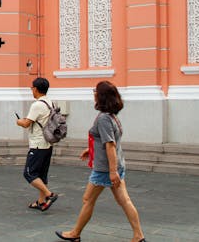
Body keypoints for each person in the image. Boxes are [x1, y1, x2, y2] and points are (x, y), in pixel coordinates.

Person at [55, 81, 145, 242]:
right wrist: (90, 150)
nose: (93, 93)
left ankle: (75, 233)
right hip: (117, 165)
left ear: (101, 96)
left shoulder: (103, 118)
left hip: (105, 169)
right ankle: (138, 236)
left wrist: (112, 171)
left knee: (88, 199)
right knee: (124, 201)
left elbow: (110, 144)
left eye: (95, 91)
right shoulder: (112, 117)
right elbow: (108, 141)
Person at [16, 76, 59, 212]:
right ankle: (41, 202)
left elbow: (26, 123)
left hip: (38, 144)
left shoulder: (37, 105)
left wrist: (19, 121)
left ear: (35, 89)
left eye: (31, 88)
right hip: (48, 144)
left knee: (29, 173)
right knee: (42, 174)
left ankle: (49, 195)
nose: (31, 90)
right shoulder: (50, 103)